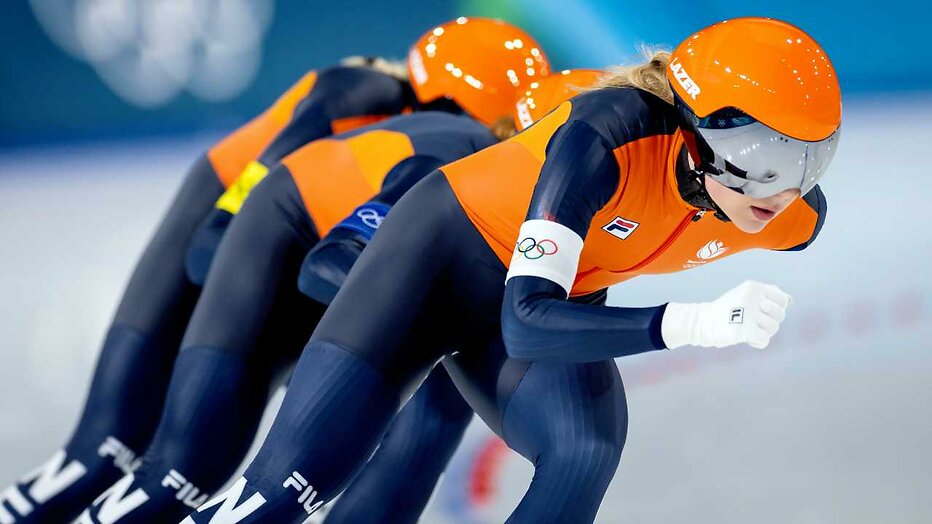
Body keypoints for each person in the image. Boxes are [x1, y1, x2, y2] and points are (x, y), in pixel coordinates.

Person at [182, 17, 839, 524]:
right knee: (287, 489)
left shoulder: (787, 217)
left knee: (584, 450)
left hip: (535, 301)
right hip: (435, 268)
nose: (783, 191)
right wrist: (692, 322)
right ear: (695, 135)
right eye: (761, 160)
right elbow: (525, 321)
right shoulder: (604, 138)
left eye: (809, 161)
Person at [0, 20, 547, 520]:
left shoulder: (448, 150)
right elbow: (213, 242)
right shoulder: (360, 92)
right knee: (120, 451)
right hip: (228, 228)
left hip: (296, 246)